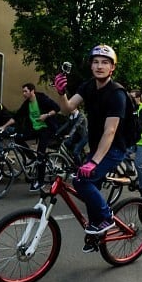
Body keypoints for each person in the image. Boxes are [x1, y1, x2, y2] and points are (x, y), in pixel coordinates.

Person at [52, 45, 127, 246]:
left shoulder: (117, 94)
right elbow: (67, 109)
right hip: (97, 146)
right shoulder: (87, 86)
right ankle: (97, 232)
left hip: (114, 148)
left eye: (105, 62)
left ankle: (106, 218)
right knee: (89, 184)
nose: (99, 66)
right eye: (96, 62)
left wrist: (93, 162)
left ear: (112, 68)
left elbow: (110, 131)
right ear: (91, 66)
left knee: (81, 181)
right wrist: (61, 92)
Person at [0, 83, 61, 192]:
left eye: (25, 91)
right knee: (18, 138)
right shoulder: (27, 104)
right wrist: (4, 126)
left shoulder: (42, 99)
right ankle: (32, 157)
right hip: (35, 129)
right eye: (23, 91)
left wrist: (46, 115)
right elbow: (16, 117)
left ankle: (40, 182)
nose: (23, 94)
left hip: (46, 129)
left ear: (32, 91)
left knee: (41, 154)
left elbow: (57, 108)